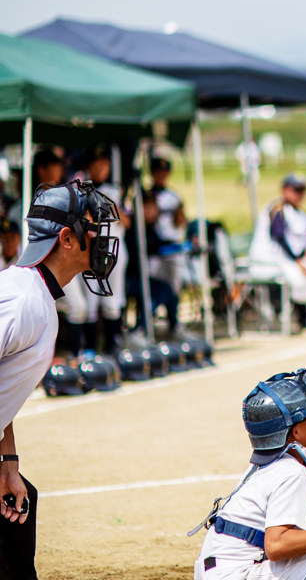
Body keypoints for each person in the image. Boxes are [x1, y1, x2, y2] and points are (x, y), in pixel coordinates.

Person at [0, 180, 119, 579]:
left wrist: (7, 461)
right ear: (67, 238)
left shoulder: (37, 299)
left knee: (19, 506)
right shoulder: (21, 303)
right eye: (92, 226)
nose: (101, 237)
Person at [190, 368, 306, 580]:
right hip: (236, 574)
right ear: (295, 431)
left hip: (220, 570)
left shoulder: (272, 463)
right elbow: (277, 545)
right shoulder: (294, 473)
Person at [63, 145, 131, 356]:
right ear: (89, 165)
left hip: (114, 247)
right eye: (98, 163)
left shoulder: (116, 189)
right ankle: (90, 348)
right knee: (90, 302)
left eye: (106, 163)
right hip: (91, 249)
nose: (102, 167)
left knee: (113, 300)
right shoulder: (79, 188)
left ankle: (112, 347)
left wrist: (114, 210)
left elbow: (127, 221)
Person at [249, 173, 306, 331]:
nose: (299, 194)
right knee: (300, 278)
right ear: (284, 190)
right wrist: (298, 260)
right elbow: (279, 238)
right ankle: (304, 319)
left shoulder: (303, 216)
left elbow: (303, 244)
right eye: (295, 189)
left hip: (293, 261)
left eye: (302, 190)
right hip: (270, 262)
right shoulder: (276, 210)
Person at [125, 190, 181, 342]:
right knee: (157, 294)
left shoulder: (149, 227)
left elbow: (157, 244)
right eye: (146, 207)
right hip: (128, 278)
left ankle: (174, 327)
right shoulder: (132, 227)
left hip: (140, 276)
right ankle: (138, 330)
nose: (151, 211)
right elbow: (141, 248)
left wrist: (180, 245)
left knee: (168, 290)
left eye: (153, 208)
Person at [149, 155, 187, 295]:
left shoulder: (174, 197)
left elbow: (181, 222)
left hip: (172, 246)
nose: (161, 175)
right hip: (154, 247)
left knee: (174, 280)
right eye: (158, 172)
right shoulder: (145, 196)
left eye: (164, 173)